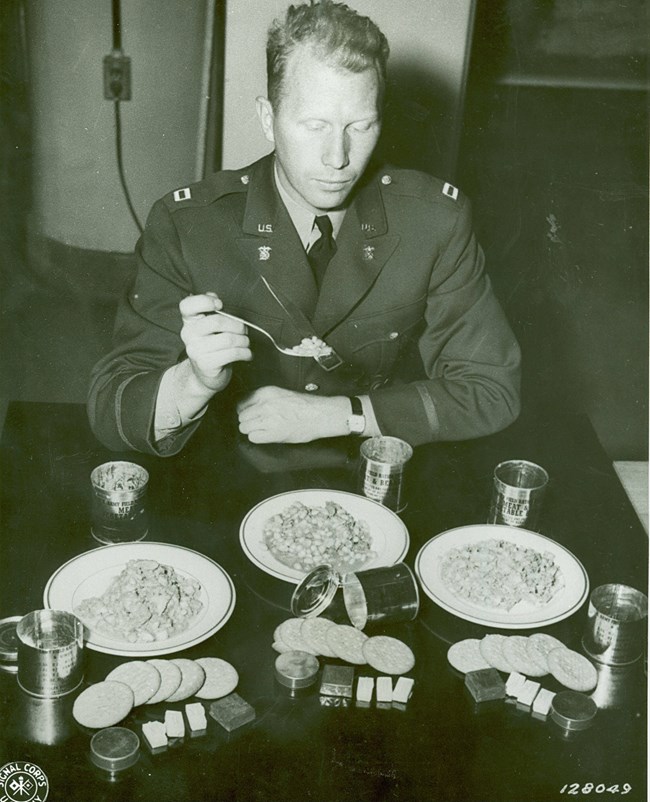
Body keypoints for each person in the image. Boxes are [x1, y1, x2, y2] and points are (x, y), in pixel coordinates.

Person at [88, 0, 521, 456]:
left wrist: (339, 415)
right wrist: (193, 382)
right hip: (226, 469)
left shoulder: (433, 221)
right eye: (315, 125)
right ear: (268, 119)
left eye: (361, 125)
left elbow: (493, 390)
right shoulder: (188, 226)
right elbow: (110, 411)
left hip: (370, 456)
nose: (338, 158)